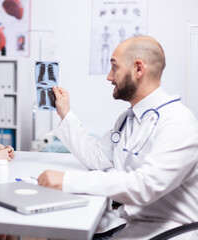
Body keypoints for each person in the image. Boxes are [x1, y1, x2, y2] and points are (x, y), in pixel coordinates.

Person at [37, 36, 198, 239]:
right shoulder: (128, 118)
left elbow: (144, 186)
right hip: (132, 221)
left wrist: (67, 180)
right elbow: (96, 157)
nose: (109, 77)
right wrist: (65, 112)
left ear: (138, 69)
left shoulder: (178, 122)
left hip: (168, 230)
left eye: (114, 67)